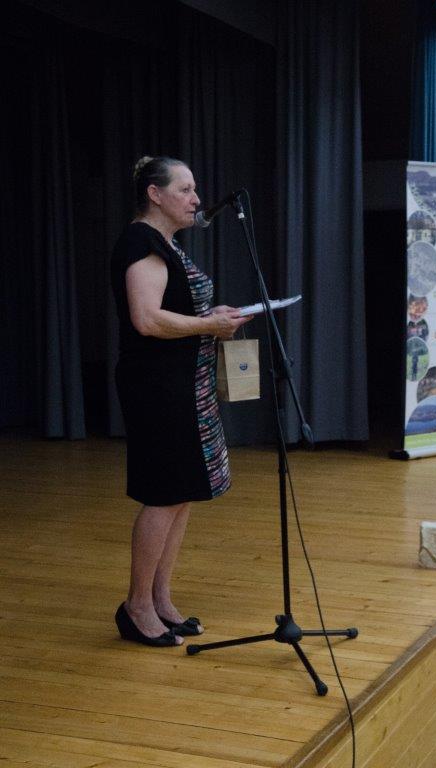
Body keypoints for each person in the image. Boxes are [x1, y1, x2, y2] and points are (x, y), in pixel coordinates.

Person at [110, 156, 252, 647]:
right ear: (155, 194)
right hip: (158, 388)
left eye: (195, 189)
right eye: (185, 189)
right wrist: (209, 324)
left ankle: (161, 599)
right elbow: (147, 319)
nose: (196, 199)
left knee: (183, 490)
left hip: (187, 383)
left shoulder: (166, 244)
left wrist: (213, 315)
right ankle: (137, 607)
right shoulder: (141, 241)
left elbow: (174, 309)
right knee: (164, 492)